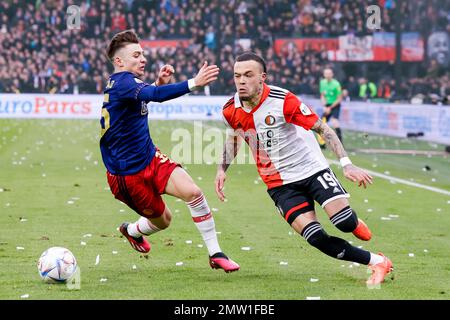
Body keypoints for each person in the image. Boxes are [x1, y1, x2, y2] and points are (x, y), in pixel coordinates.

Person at [215, 52, 393, 286]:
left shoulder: (282, 100)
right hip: (279, 184)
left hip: (312, 169)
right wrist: (222, 169)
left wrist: (346, 164)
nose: (241, 81)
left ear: (262, 78)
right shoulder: (230, 109)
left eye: (248, 75)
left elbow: (324, 130)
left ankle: (353, 222)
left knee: (344, 222)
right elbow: (234, 140)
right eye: (237, 76)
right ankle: (377, 262)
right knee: (315, 237)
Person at [100, 30, 239, 273]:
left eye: (143, 53)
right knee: (164, 221)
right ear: (119, 61)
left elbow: (146, 95)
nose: (143, 59)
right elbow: (153, 96)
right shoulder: (123, 81)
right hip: (126, 176)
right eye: (136, 55)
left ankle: (216, 253)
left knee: (193, 192)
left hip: (149, 156)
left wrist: (157, 84)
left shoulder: (125, 83)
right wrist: (194, 83)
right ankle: (131, 230)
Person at [319, 68, 343, 146]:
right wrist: (325, 106)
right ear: (324, 74)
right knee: (321, 123)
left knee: (335, 122)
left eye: (329, 73)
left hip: (335, 105)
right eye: (326, 73)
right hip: (327, 105)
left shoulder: (336, 84)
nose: (328, 75)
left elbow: (339, 99)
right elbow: (322, 95)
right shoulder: (322, 83)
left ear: (332, 74)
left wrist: (330, 108)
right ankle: (322, 143)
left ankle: (340, 143)